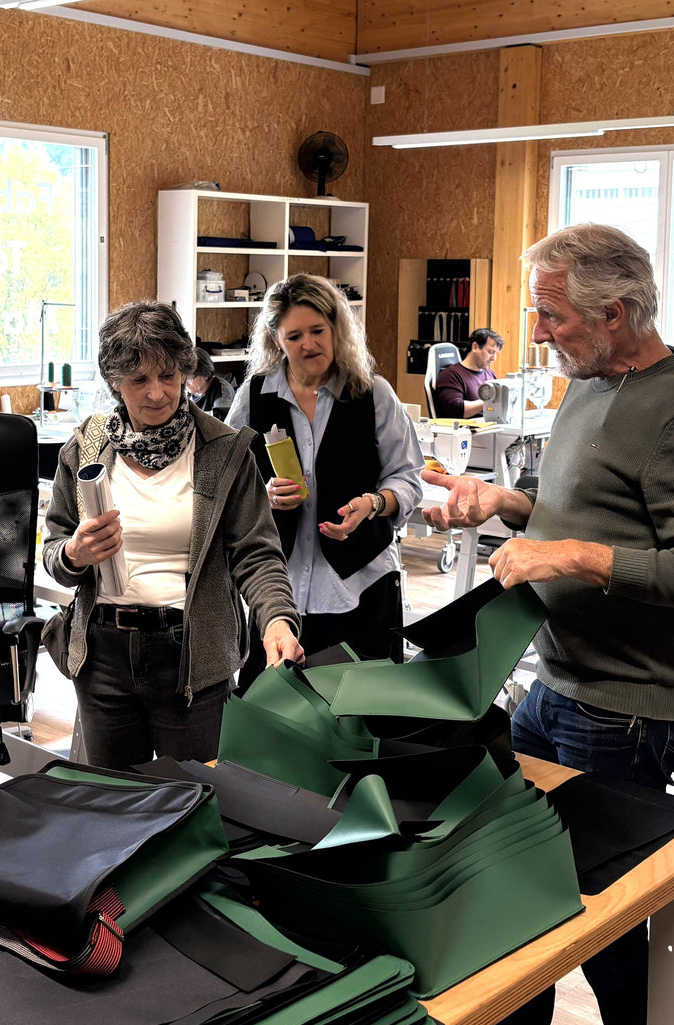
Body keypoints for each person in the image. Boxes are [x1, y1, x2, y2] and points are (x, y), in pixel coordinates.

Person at [422, 223, 674, 1025]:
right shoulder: (589, 384)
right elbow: (582, 513)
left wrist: (569, 554)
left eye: (552, 316)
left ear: (615, 312)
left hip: (623, 708)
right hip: (555, 686)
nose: (536, 333)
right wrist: (505, 503)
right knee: (514, 878)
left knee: (607, 927)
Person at [43, 301, 302, 769]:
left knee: (199, 806)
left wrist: (277, 620)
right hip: (103, 659)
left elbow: (257, 554)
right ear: (114, 383)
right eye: (139, 380)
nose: (158, 393)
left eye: (168, 375)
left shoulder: (224, 450)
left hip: (194, 658)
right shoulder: (86, 446)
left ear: (185, 370)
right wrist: (75, 553)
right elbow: (56, 552)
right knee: (117, 807)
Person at [228, 274, 424, 677]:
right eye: (294, 335)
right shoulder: (254, 395)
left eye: (318, 331)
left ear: (337, 329)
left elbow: (407, 478)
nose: (309, 344)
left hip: (361, 584)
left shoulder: (375, 394)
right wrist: (262, 494)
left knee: (359, 717)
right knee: (276, 713)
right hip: (278, 591)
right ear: (275, 340)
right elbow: (227, 477)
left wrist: (373, 504)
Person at [433, 327, 504, 418]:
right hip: (468, 430)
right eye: (490, 352)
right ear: (475, 347)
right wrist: (491, 401)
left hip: (492, 427)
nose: (494, 358)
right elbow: (456, 410)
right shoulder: (451, 375)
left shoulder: (491, 375)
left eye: (496, 353)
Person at [185, 347, 235, 421]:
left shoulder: (222, 392)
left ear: (205, 374)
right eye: (184, 377)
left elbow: (220, 424)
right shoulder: (187, 390)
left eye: (190, 378)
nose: (186, 384)